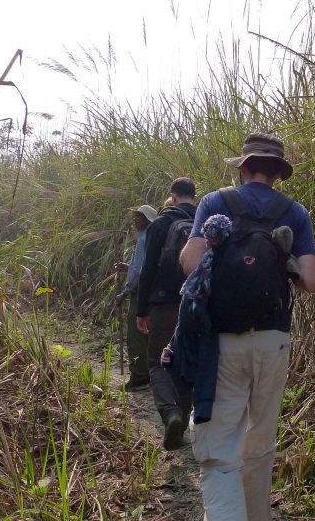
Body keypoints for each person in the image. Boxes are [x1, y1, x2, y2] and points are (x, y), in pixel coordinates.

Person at [179, 133, 315, 521]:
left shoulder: (215, 202)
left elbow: (190, 262)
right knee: (259, 445)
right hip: (274, 338)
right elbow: (311, 279)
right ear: (278, 172)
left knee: (221, 449)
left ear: (242, 167)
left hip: (224, 341)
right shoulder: (295, 212)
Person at [136, 177, 197, 449]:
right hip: (196, 305)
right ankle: (182, 424)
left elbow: (148, 269)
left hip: (163, 304)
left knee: (156, 363)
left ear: (172, 197)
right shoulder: (204, 220)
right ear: (194, 196)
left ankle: (170, 413)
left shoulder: (160, 223)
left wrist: (141, 310)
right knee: (186, 364)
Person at [112, 203, 157, 390]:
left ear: (147, 220)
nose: (136, 220)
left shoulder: (144, 237)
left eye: (140, 217)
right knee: (149, 332)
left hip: (140, 292)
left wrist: (125, 292)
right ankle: (151, 374)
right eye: (136, 216)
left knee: (136, 333)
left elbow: (138, 272)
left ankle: (139, 377)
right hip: (154, 291)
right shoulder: (155, 237)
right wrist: (128, 267)